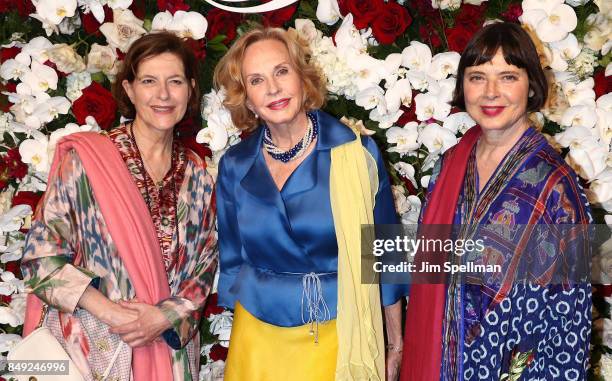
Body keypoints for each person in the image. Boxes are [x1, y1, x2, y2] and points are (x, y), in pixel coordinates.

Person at [214, 26, 409, 381]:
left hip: (339, 331)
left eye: (281, 71)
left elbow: (382, 258)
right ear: (246, 97)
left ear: (303, 78)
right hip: (257, 337)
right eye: (256, 80)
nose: (273, 88)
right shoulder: (234, 166)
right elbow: (232, 260)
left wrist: (395, 344)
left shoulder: (354, 154)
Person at [21, 32, 217, 381]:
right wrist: (113, 314)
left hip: (167, 352)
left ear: (190, 89)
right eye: (148, 81)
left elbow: (203, 269)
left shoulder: (198, 175)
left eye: (175, 81)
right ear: (129, 90)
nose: (163, 94)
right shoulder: (88, 160)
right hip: (89, 350)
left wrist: (160, 319)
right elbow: (40, 258)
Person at [400, 22, 591, 380]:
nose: (491, 92)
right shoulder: (450, 165)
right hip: (439, 360)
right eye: (477, 77)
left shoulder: (555, 187)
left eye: (507, 77)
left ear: (531, 85)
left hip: (514, 369)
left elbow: (570, 321)